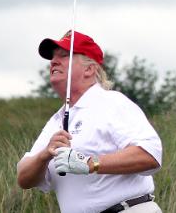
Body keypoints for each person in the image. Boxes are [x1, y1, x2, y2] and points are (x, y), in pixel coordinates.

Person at [17, 30, 163, 213]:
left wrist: (90, 163)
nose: (54, 61)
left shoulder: (112, 102)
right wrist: (44, 155)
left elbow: (150, 155)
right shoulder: (56, 121)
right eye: (53, 58)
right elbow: (23, 178)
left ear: (89, 69)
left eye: (64, 56)